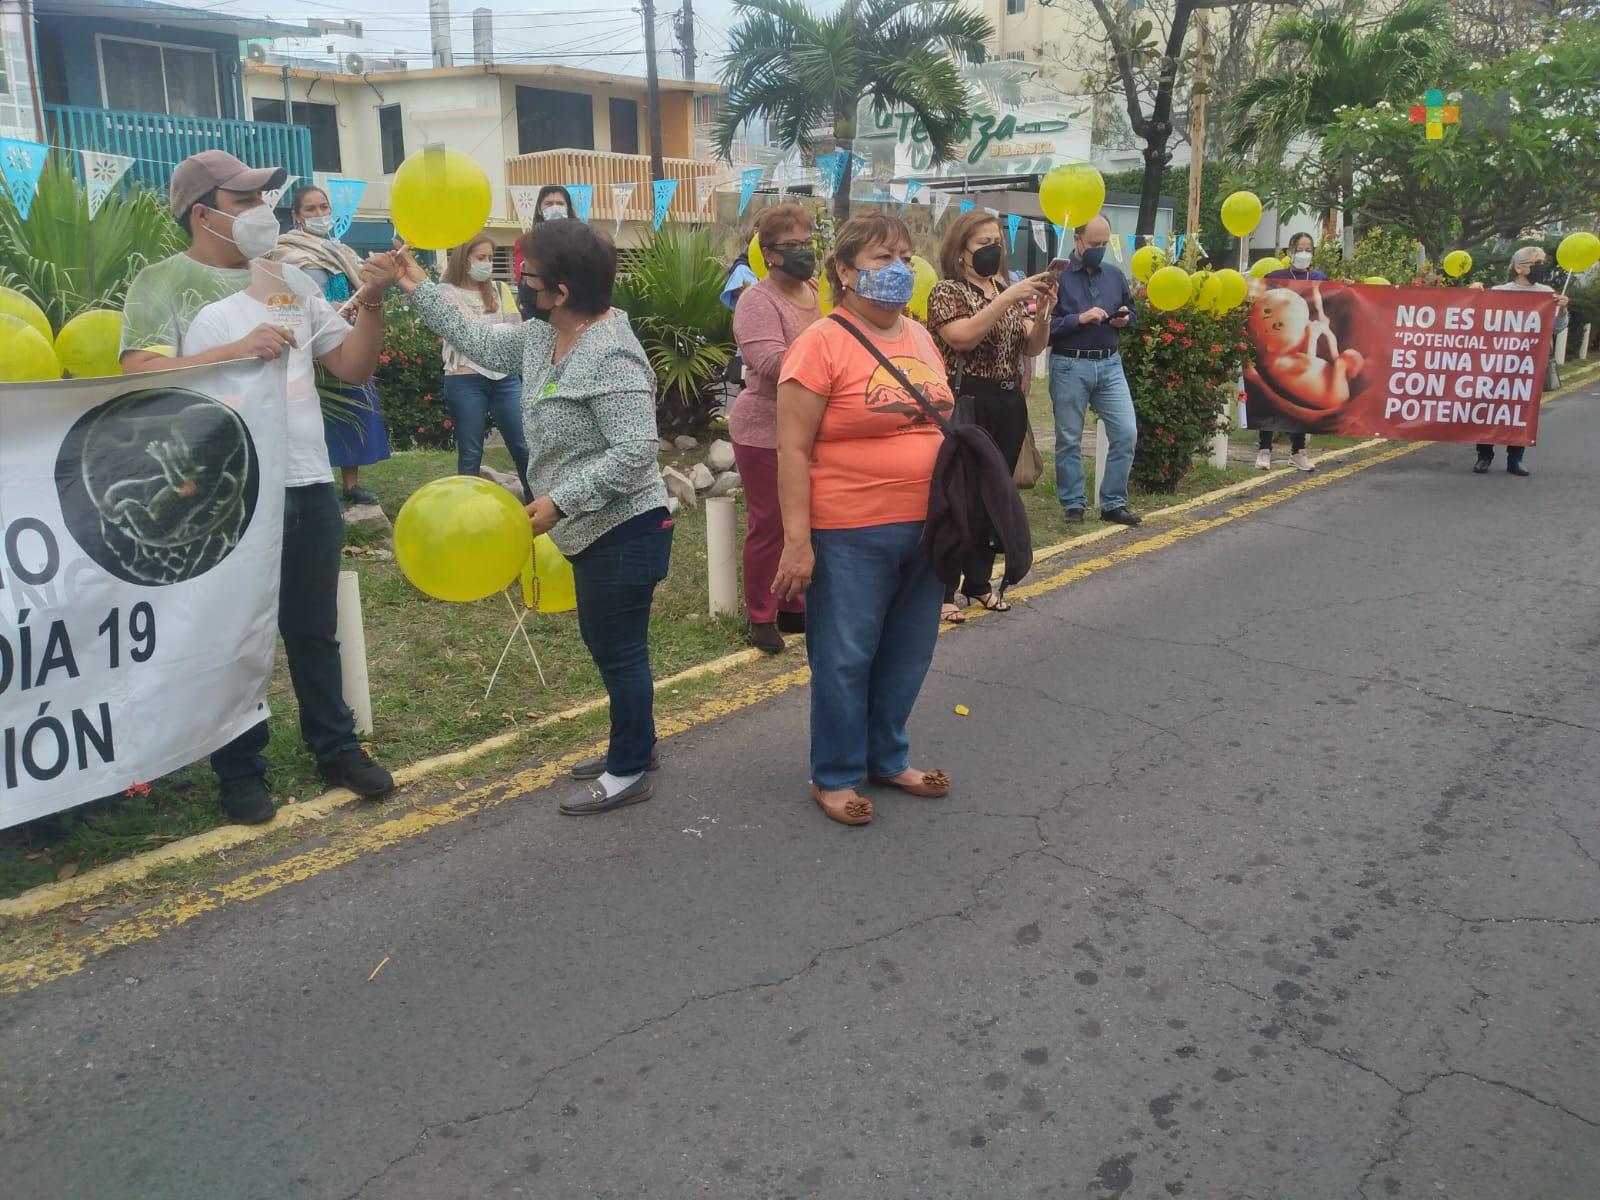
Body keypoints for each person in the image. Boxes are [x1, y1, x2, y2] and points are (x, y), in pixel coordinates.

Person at [119, 149, 396, 825]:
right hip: (220, 490)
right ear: (201, 212)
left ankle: (335, 748)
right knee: (232, 633)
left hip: (305, 481)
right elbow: (137, 377)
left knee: (313, 629)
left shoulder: (290, 280)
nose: (260, 213)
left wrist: (376, 303)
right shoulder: (161, 283)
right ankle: (240, 770)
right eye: (243, 201)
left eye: (263, 199)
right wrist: (228, 353)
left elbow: (352, 366)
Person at [389, 220, 672, 816]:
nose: (518, 284)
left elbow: (635, 450)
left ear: (561, 291)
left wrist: (562, 500)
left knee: (618, 651)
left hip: (625, 528)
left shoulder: (611, 353)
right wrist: (412, 282)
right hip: (589, 529)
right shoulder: (543, 337)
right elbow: (480, 343)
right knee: (609, 644)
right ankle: (636, 745)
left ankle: (628, 769)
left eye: (528, 276)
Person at [772, 214, 953, 827]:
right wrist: (798, 542)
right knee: (846, 655)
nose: (898, 269)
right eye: (881, 258)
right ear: (845, 271)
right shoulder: (819, 343)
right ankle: (837, 774)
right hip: (848, 529)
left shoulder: (922, 337)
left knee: (908, 651)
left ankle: (888, 756)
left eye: (904, 256)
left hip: (929, 527)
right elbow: (792, 450)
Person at [926, 210, 1056, 623]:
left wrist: (1044, 313)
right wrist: (1006, 299)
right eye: (983, 242)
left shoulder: (1004, 288)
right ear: (960, 250)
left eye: (997, 240)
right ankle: (945, 588)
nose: (994, 249)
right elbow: (961, 337)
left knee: (994, 495)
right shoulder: (948, 291)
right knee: (959, 495)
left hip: (1007, 402)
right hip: (968, 400)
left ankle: (979, 582)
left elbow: (1031, 348)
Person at [730, 203, 819, 653]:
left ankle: (793, 603)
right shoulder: (756, 300)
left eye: (808, 242)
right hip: (763, 426)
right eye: (793, 246)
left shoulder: (819, 291)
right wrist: (828, 363)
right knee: (770, 524)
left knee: (801, 521)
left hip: (810, 426)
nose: (804, 251)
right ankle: (761, 614)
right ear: (769, 253)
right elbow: (768, 361)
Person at [274, 185, 393, 505]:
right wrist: (330, 305)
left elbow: (362, 285)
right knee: (324, 414)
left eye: (323, 207)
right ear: (297, 217)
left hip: (349, 333)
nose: (319, 214)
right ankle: (322, 482)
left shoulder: (340, 250)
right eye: (310, 209)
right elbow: (291, 296)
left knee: (355, 406)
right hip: (314, 341)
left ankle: (351, 484)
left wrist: (359, 302)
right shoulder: (286, 251)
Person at [1048, 214, 1141, 526]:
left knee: (1126, 432)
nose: (1099, 249)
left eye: (1104, 244)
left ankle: (1113, 502)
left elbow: (1133, 310)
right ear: (1077, 240)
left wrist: (1126, 318)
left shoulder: (1114, 275)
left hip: (1110, 363)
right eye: (1093, 244)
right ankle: (1073, 504)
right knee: (1069, 438)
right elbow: (1042, 328)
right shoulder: (1057, 276)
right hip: (1069, 363)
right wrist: (1079, 318)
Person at [439, 233, 533, 501]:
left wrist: (493, 331)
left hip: (504, 378)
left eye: (491, 258)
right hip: (465, 378)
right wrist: (496, 330)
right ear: (464, 259)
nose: (487, 263)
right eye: (481, 258)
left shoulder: (500, 290)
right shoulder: (446, 292)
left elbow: (517, 331)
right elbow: (460, 332)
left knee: (523, 447)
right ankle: (468, 513)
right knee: (471, 452)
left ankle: (537, 510)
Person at [1475, 245, 1569, 477]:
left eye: (1541, 262)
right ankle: (1484, 455)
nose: (1540, 267)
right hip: (1496, 362)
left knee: (1520, 409)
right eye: (1535, 263)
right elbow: (1478, 320)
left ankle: (1515, 459)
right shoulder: (1499, 291)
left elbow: (1557, 328)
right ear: (1519, 267)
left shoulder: (1547, 293)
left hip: (1528, 365)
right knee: (1488, 408)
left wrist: (1563, 310)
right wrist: (1474, 294)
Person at [1256, 231, 1326, 471]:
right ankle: (1264, 449)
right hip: (1276, 339)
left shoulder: (1319, 278)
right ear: (1289, 252)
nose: (1304, 254)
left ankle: (1298, 451)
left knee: (1301, 395)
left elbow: (1329, 302)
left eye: (1309, 250)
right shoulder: (1275, 277)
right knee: (1267, 396)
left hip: (1302, 339)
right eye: (1300, 249)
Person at [513, 185, 580, 320]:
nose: (555, 207)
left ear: (568, 208)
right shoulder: (526, 242)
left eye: (560, 203)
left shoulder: (581, 240)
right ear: (539, 209)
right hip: (539, 311)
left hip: (576, 309)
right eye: (549, 204)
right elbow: (522, 278)